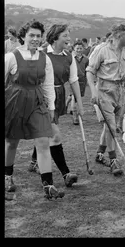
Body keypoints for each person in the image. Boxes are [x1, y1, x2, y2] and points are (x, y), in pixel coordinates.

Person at [5, 20, 64, 200]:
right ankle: (7, 176)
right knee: (11, 142)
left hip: (37, 101)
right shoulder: (11, 57)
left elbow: (47, 84)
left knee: (43, 141)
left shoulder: (44, 58)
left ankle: (48, 184)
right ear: (23, 36)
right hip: (15, 101)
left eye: (38, 36)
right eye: (32, 35)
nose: (35, 39)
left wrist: (52, 107)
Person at [27, 24, 84, 188]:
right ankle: (66, 173)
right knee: (54, 135)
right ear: (55, 37)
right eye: (65, 35)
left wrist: (79, 105)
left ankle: (33, 161)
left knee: (46, 133)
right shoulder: (41, 54)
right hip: (42, 98)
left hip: (58, 96)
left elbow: (73, 80)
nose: (69, 39)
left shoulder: (69, 56)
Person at [87, 23, 125, 172]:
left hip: (121, 92)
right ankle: (113, 161)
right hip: (104, 90)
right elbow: (90, 71)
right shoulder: (101, 50)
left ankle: (99, 154)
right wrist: (93, 91)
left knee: (109, 126)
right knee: (111, 127)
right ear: (118, 36)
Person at [69, 40, 89, 125]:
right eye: (77, 48)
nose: (79, 50)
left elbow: (87, 70)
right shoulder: (70, 58)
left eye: (80, 48)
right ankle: (75, 117)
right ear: (74, 48)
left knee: (79, 98)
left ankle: (73, 110)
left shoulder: (86, 59)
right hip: (73, 80)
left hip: (82, 81)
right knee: (74, 97)